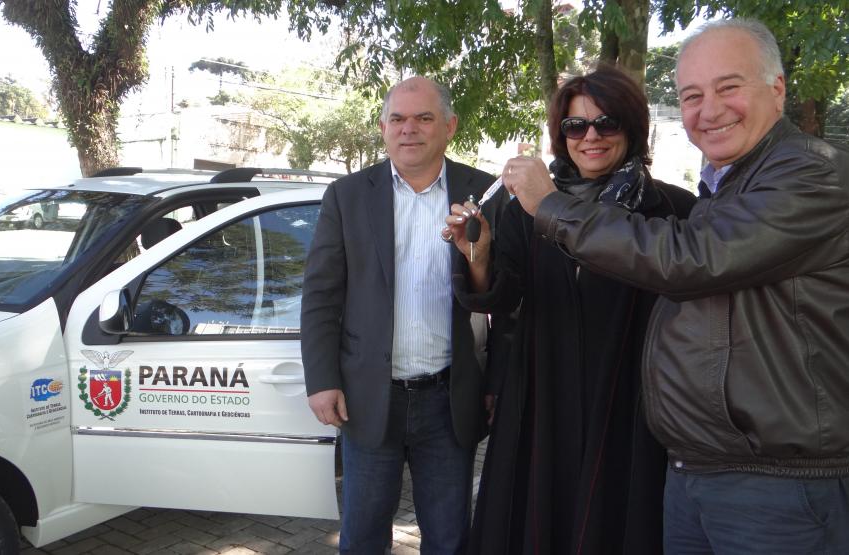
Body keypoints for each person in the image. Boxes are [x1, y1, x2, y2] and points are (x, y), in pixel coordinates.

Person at [503, 18, 849, 554]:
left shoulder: (808, 173)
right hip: (698, 467)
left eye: (729, 86)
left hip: (776, 481)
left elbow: (687, 261)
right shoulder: (727, 185)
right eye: (691, 94)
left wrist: (550, 206)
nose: (709, 109)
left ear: (777, 89)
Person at [445, 65, 695, 554]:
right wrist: (478, 256)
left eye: (607, 123)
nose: (591, 137)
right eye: (575, 126)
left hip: (630, 397)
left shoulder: (673, 208)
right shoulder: (523, 206)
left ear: (633, 128)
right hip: (541, 392)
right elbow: (503, 297)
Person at [301, 76, 506, 554]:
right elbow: (321, 295)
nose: (408, 129)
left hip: (449, 398)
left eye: (423, 118)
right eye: (397, 119)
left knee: (451, 538)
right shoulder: (348, 196)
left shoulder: (484, 193)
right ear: (383, 128)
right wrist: (321, 378)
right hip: (369, 397)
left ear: (449, 126)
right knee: (363, 537)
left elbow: (504, 301)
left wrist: (497, 381)